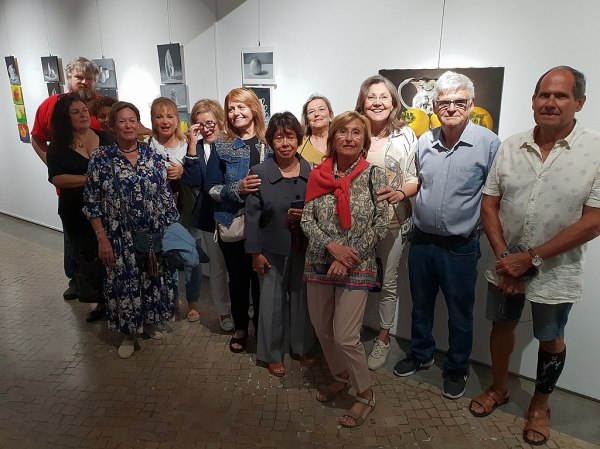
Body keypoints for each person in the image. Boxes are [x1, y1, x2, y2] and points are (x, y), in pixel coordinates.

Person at [469, 66, 600, 445]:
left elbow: (593, 221)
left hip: (556, 271)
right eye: (544, 95)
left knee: (550, 337)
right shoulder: (511, 145)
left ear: (579, 102)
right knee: (502, 326)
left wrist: (530, 259)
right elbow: (489, 203)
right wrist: (506, 258)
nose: (550, 102)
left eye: (561, 96)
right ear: (533, 101)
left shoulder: (595, 151)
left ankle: (540, 407)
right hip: (504, 265)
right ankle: (498, 388)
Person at [392, 71, 501, 400]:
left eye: (459, 101)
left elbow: (496, 196)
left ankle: (456, 368)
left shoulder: (489, 144)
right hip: (422, 241)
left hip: (460, 247)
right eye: (444, 102)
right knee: (420, 306)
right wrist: (401, 192)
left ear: (471, 104)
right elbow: (417, 181)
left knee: (460, 314)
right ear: (435, 106)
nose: (451, 108)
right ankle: (421, 354)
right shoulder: (425, 141)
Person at [302, 111, 389, 428]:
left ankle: (365, 393)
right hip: (318, 262)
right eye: (343, 132)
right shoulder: (318, 174)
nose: (349, 138)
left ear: (364, 140)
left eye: (356, 132)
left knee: (346, 336)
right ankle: (340, 376)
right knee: (322, 329)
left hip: (357, 266)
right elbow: (306, 219)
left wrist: (345, 257)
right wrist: (330, 247)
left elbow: (381, 224)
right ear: (332, 137)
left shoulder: (375, 175)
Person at [83, 101, 179, 359]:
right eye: (122, 121)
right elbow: (91, 202)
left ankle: (149, 322)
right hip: (118, 236)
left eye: (132, 121)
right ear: (113, 126)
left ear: (139, 124)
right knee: (124, 284)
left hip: (152, 233)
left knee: (152, 278)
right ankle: (129, 333)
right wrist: (102, 238)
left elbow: (165, 196)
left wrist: (170, 231)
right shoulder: (101, 158)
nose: (128, 126)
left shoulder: (152, 156)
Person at [355, 75, 419, 370]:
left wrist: (400, 193)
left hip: (393, 221)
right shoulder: (353, 130)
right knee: (355, 280)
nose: (377, 102)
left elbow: (413, 178)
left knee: (388, 283)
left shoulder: (405, 135)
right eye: (371, 97)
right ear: (362, 102)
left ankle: (383, 338)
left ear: (393, 102)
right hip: (355, 224)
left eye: (383, 97)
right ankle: (351, 333)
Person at [245, 111, 315, 377]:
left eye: (290, 137)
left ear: (299, 139)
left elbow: (321, 209)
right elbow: (252, 216)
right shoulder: (259, 173)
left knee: (302, 300)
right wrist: (255, 253)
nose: (285, 143)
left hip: (304, 248)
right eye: (279, 138)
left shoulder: (311, 172)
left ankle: (302, 347)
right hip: (270, 250)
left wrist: (306, 215)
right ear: (270, 141)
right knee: (271, 304)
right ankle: (272, 354)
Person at [206, 88, 271, 352]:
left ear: (253, 108)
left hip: (265, 223)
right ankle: (241, 327)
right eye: (231, 108)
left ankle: (263, 328)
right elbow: (211, 188)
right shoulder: (221, 145)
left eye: (241, 107)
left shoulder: (269, 141)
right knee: (239, 279)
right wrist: (238, 189)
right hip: (232, 221)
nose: (235, 113)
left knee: (263, 279)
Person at [32, 57, 102, 302]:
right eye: (78, 77)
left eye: (89, 78)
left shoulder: (103, 105)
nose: (84, 82)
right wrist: (54, 165)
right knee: (75, 236)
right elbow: (37, 138)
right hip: (72, 189)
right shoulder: (51, 105)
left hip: (104, 192)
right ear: (69, 78)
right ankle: (75, 279)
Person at [46, 94, 114, 322]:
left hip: (109, 211)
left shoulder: (106, 138)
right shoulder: (58, 147)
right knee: (88, 258)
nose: (83, 115)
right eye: (76, 112)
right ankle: (100, 302)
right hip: (76, 211)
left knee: (111, 256)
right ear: (65, 118)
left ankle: (116, 300)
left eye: (84, 110)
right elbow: (57, 178)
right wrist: (89, 179)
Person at [148, 97, 203, 320]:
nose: (165, 121)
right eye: (159, 116)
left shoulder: (187, 144)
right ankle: (171, 298)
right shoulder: (148, 145)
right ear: (152, 120)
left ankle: (193, 301)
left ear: (177, 119)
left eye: (170, 116)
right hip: (160, 213)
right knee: (167, 254)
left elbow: (198, 176)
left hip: (187, 208)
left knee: (193, 255)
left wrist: (182, 172)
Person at [181, 99, 234, 332]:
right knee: (218, 266)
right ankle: (224, 312)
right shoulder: (198, 148)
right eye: (200, 124)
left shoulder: (233, 144)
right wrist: (192, 145)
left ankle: (245, 306)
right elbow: (192, 181)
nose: (206, 128)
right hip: (208, 216)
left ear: (220, 120)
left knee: (239, 265)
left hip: (234, 213)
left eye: (210, 122)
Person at [298, 94, 334, 166]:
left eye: (321, 109)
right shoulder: (299, 145)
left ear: (330, 115)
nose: (317, 114)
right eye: (311, 111)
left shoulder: (340, 142)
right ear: (306, 120)